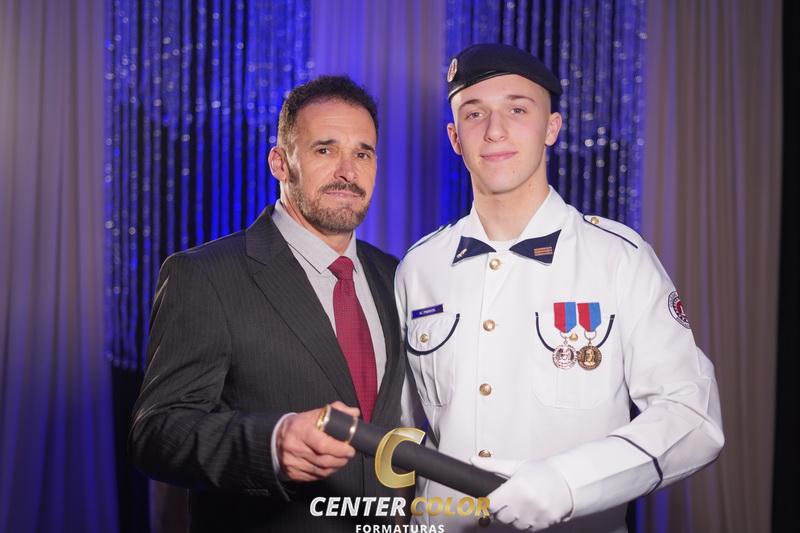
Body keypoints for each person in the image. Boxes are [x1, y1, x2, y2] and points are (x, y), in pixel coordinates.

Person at [395, 43, 724, 532]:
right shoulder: (418, 267)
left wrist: (569, 483)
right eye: (474, 113)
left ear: (551, 128)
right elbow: (403, 433)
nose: (495, 130)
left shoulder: (619, 258)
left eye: (517, 110)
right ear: (455, 137)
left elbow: (692, 417)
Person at [129, 75, 406, 533]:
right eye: (325, 150)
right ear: (280, 162)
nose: (347, 171)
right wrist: (272, 445)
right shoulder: (206, 275)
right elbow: (157, 434)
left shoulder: (396, 276)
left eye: (363, 153)